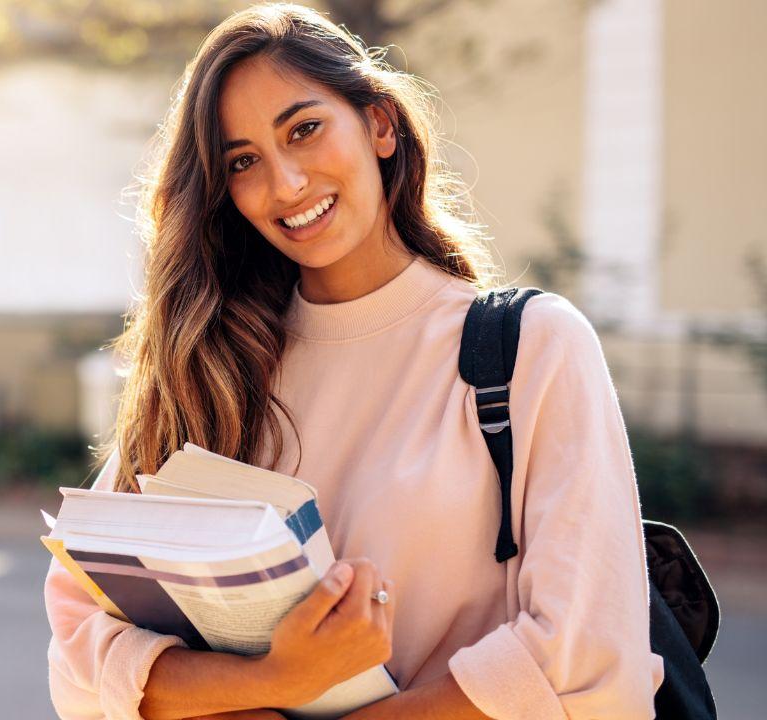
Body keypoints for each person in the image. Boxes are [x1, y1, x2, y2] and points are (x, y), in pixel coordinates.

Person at [43, 4, 664, 719]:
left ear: (379, 124)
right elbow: (83, 654)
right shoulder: (210, 367)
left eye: (304, 129)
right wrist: (276, 680)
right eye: (243, 162)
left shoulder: (531, 349)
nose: (286, 186)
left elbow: (582, 658)